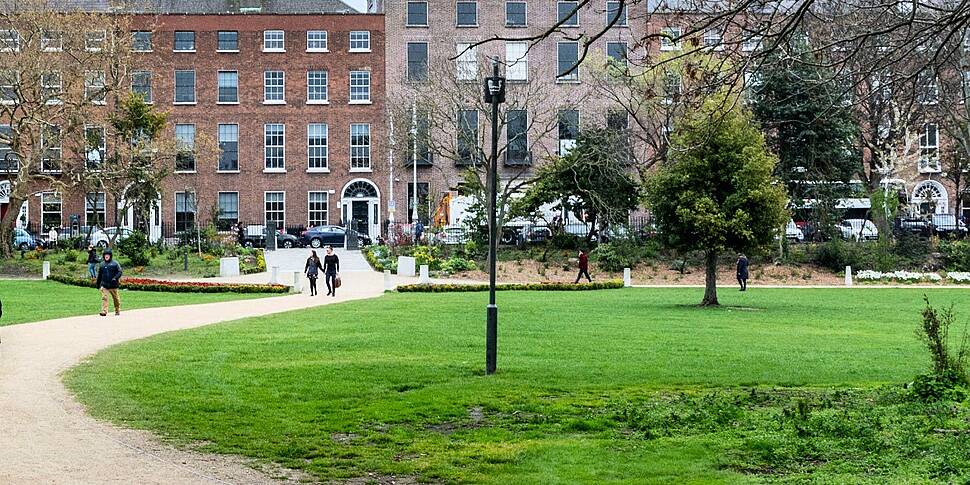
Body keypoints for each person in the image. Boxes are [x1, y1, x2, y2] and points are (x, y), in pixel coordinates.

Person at [96, 248, 122, 316]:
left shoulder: (115, 263)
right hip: (105, 285)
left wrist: (115, 278)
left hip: (113, 285)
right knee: (104, 298)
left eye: (108, 255)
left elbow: (120, 272)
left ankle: (117, 310)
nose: (106, 256)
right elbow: (99, 275)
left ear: (110, 256)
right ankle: (104, 311)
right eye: (105, 255)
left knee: (116, 299)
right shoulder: (102, 264)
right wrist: (98, 284)